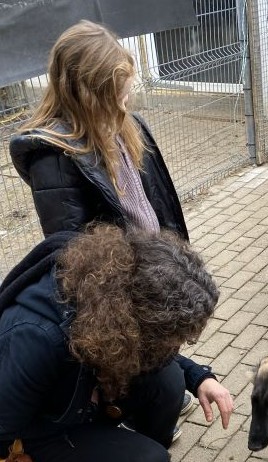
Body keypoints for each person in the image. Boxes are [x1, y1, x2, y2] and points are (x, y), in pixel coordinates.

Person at [9, 19, 198, 432]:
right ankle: (133, 427)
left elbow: (155, 199)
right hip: (121, 287)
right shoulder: (54, 160)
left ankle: (160, 399)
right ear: (88, 92)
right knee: (148, 380)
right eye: (118, 91)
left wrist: (173, 265)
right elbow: (78, 257)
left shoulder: (126, 125)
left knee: (166, 371)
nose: (127, 99)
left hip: (151, 272)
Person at [0, 224, 233, 462]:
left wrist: (199, 377)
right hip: (45, 430)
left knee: (169, 380)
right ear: (137, 318)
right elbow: (2, 427)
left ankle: (131, 456)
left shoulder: (116, 290)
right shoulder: (36, 338)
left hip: (80, 397)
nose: (177, 345)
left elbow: (155, 349)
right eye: (173, 337)